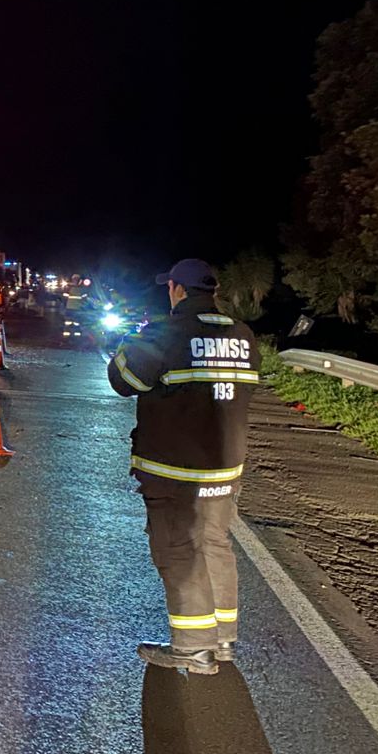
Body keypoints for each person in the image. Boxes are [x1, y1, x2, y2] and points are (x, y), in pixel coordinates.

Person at [107, 258, 259, 675]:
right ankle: (222, 639)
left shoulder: (166, 332)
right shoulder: (242, 335)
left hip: (175, 470)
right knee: (215, 544)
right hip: (225, 467)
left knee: (178, 551)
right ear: (213, 291)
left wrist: (127, 343)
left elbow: (124, 381)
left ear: (176, 289)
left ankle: (194, 647)